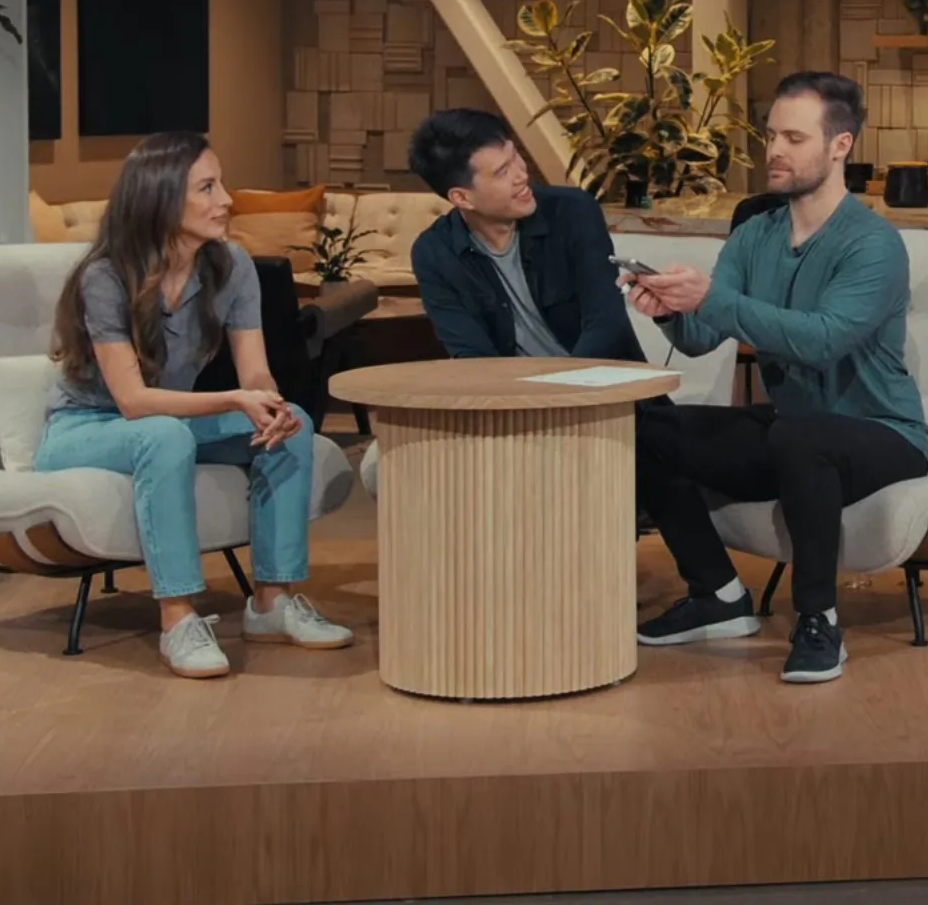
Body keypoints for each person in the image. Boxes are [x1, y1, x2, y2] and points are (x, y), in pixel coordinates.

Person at [625, 71, 928, 685]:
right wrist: (670, 311)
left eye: (794, 138)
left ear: (840, 145)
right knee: (644, 426)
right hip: (795, 429)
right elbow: (703, 336)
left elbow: (821, 341)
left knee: (800, 436)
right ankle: (718, 594)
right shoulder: (755, 234)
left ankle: (818, 621)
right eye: (771, 136)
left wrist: (710, 298)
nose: (775, 151)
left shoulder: (873, 244)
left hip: (882, 433)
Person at [41, 132, 354, 680]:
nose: (226, 200)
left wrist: (267, 402)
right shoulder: (105, 276)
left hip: (169, 422)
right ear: (161, 198)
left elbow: (254, 370)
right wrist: (234, 398)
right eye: (207, 188)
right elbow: (133, 402)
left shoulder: (231, 265)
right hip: (88, 427)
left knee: (295, 424)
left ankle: (272, 602)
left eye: (221, 184)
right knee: (164, 435)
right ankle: (178, 619)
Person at [405, 108, 646, 365]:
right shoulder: (434, 253)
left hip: (606, 382)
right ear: (462, 198)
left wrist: (566, 384)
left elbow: (606, 322)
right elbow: (472, 356)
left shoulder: (572, 212)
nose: (522, 175)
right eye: (502, 172)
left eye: (515, 156)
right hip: (512, 388)